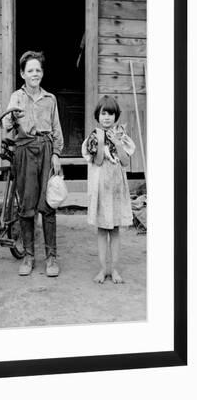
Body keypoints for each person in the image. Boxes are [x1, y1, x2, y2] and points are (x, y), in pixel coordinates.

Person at [4, 51, 64, 277]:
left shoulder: (50, 99)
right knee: (27, 205)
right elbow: (8, 126)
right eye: (30, 70)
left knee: (48, 204)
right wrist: (12, 118)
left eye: (38, 70)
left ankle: (51, 257)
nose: (35, 74)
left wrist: (57, 154)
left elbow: (56, 128)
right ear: (22, 73)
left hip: (47, 150)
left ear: (42, 73)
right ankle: (29, 256)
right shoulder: (16, 97)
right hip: (24, 151)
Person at [81, 95, 136, 284]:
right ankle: (103, 269)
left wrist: (117, 142)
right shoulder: (94, 137)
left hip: (116, 187)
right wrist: (103, 141)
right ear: (98, 115)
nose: (107, 118)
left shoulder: (121, 135)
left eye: (111, 114)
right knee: (103, 230)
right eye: (103, 113)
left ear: (116, 116)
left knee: (115, 230)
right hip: (101, 186)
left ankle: (114, 270)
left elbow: (126, 161)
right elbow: (96, 160)